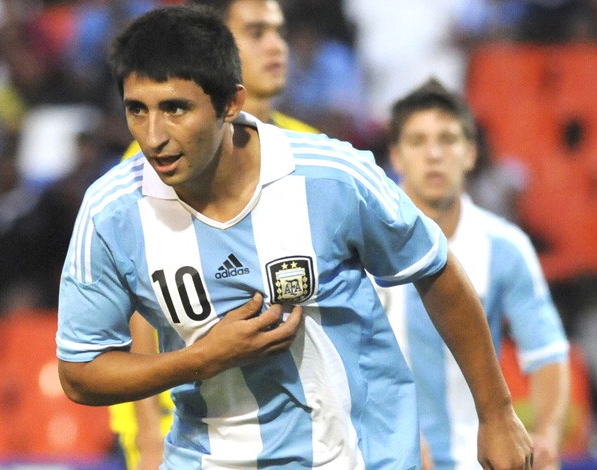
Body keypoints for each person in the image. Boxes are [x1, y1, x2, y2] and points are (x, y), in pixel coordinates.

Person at [56, 6, 533, 468]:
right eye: (137, 110)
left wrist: (495, 414)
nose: (153, 135)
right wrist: (200, 360)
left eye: (175, 109)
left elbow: (436, 269)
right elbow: (79, 373)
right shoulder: (111, 212)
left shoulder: (330, 176)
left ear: (230, 104)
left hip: (355, 455)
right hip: (206, 457)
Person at [110, 1, 316, 468]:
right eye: (256, 32)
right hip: (181, 423)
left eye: (279, 32)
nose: (275, 45)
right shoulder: (156, 159)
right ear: (217, 44)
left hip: (288, 425)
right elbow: (142, 299)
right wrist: (147, 433)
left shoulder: (309, 148)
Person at [384, 78, 569, 469]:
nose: (434, 154)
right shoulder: (363, 244)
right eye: (418, 141)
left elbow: (547, 351)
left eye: (448, 140)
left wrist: (548, 436)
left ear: (470, 154)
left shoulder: (504, 246)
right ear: (396, 158)